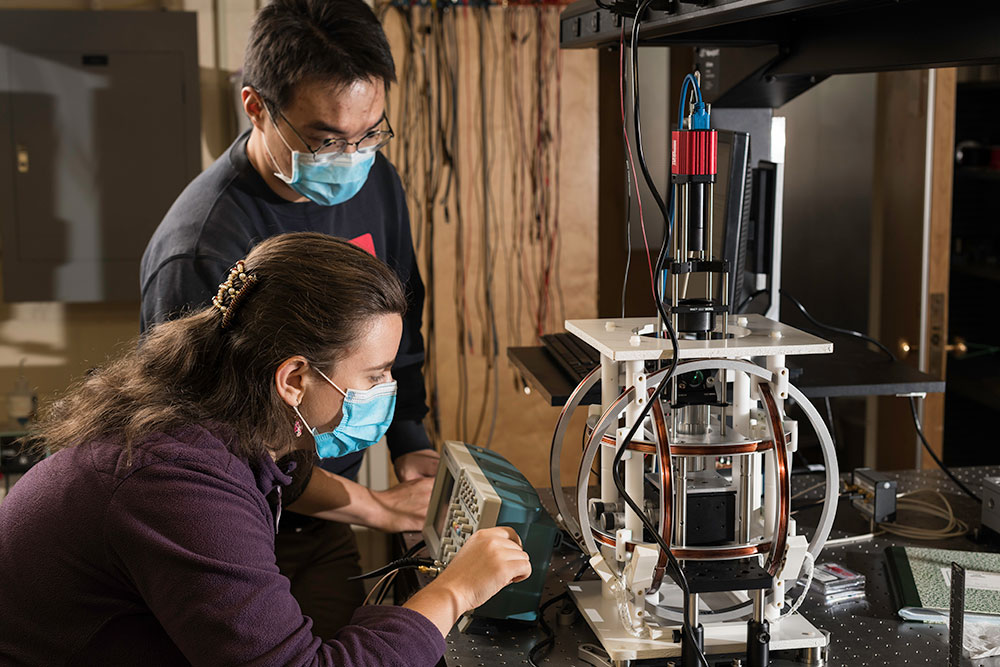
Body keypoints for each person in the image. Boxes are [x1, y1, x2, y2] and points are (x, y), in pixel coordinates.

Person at [0, 233, 531, 666]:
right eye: (375, 375)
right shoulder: (172, 482)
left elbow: (284, 475)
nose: (386, 388)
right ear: (294, 379)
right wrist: (456, 591)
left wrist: (382, 507)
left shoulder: (210, 408)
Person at [139, 0, 438, 635]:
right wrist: (378, 510)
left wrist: (410, 439)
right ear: (256, 107)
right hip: (236, 523)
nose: (353, 157)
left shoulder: (374, 178)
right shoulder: (203, 252)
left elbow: (402, 315)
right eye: (327, 139)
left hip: (324, 511)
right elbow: (215, 454)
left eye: (371, 132)